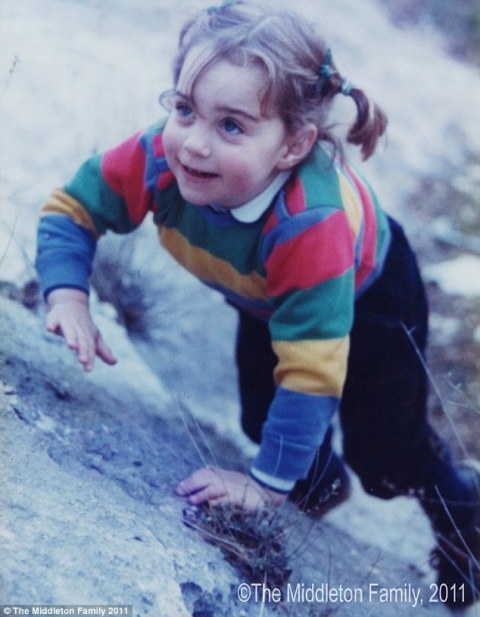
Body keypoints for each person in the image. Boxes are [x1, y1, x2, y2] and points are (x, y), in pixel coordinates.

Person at [35, 1, 478, 606]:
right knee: (261, 422)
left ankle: (464, 518)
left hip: (372, 297)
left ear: (293, 145)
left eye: (232, 126)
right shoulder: (159, 156)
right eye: (185, 109)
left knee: (386, 460)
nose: (194, 144)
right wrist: (68, 295)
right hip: (271, 300)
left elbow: (312, 370)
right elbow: (71, 209)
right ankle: (317, 486)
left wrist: (264, 488)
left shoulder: (308, 223)